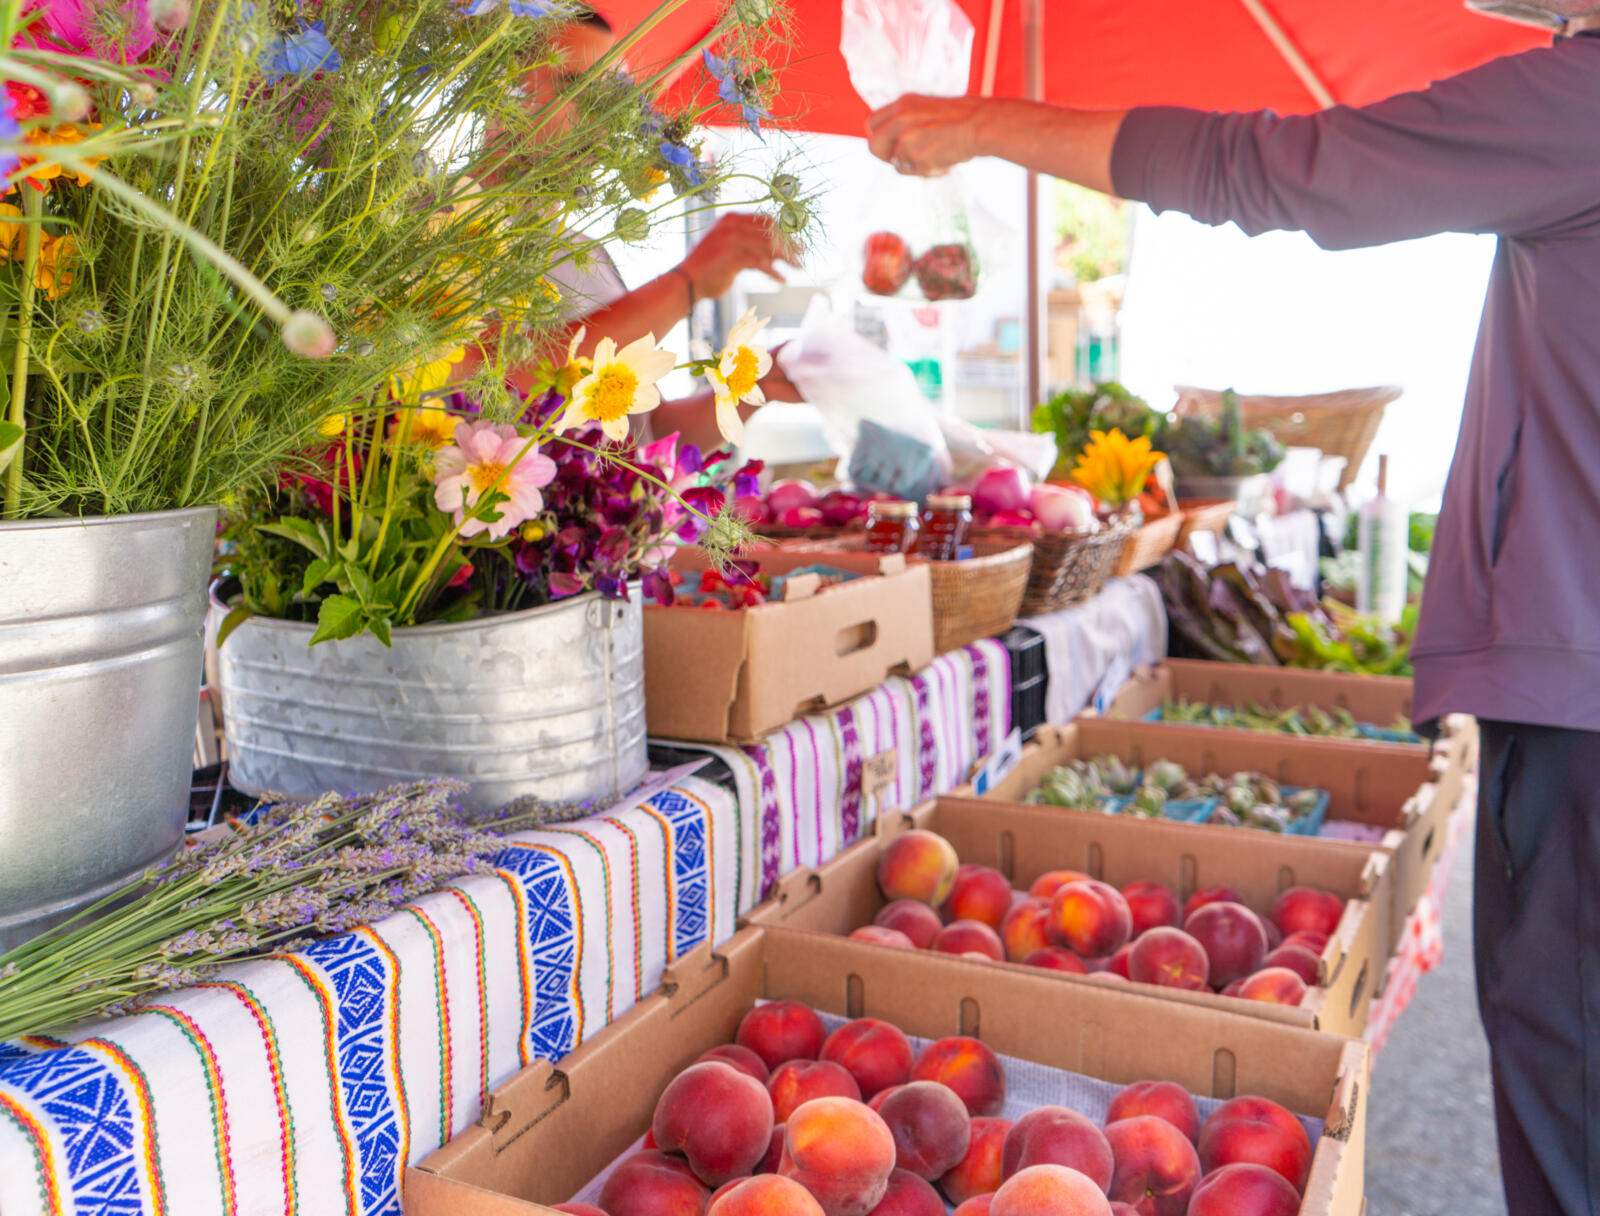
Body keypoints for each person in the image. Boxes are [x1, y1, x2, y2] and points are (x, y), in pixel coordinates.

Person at [868, 7, 1600, 1212]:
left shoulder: (1580, 101)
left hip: (1580, 701)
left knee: (1569, 1085)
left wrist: (987, 125)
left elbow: (1286, 170)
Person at [463, 4, 804, 450]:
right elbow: (510, 379)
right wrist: (689, 281)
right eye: (574, 84)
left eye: (612, 97)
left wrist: (752, 390)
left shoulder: (584, 248)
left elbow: (649, 431)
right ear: (494, 84)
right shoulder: (442, 230)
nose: (605, 119)